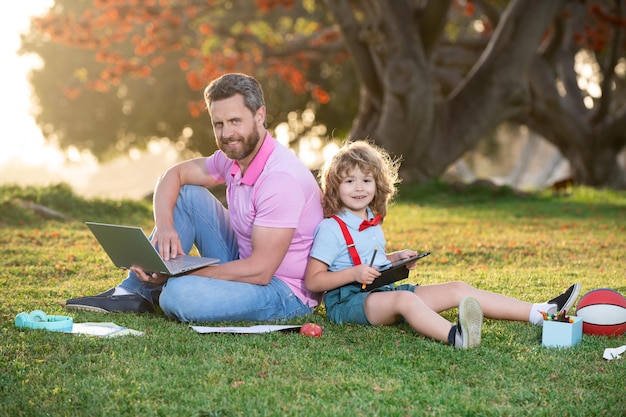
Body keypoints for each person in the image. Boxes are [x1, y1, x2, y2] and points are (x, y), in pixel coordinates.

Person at [66, 73, 324, 322]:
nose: (226, 134)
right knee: (188, 194)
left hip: (283, 290)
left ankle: (163, 285)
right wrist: (166, 227)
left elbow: (261, 270)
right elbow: (173, 175)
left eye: (235, 121)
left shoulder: (279, 179)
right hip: (244, 262)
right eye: (218, 124)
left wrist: (184, 273)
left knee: (179, 295)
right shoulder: (233, 159)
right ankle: (133, 293)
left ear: (260, 116)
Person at [304, 140, 580, 348]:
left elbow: (368, 261)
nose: (359, 188)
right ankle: (456, 336)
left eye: (366, 180)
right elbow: (314, 281)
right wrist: (354, 274)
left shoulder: (370, 220)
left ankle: (539, 312)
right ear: (335, 186)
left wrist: (396, 258)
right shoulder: (331, 229)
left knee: (457, 289)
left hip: (379, 291)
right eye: (350, 181)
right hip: (348, 302)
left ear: (378, 185)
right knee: (405, 298)